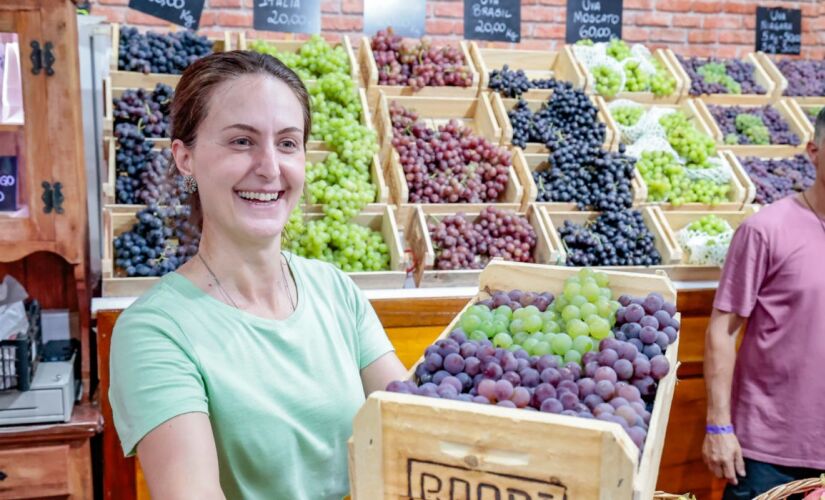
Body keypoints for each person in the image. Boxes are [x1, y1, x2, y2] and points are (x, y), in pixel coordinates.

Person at [109, 51, 408, 500]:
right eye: (241, 141)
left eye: (287, 143)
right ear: (184, 156)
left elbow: (409, 425)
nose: (270, 167)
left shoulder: (334, 289)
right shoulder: (155, 332)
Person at [703, 107, 825, 498]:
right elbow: (722, 331)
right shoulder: (765, 230)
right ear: (814, 151)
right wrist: (719, 426)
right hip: (769, 454)